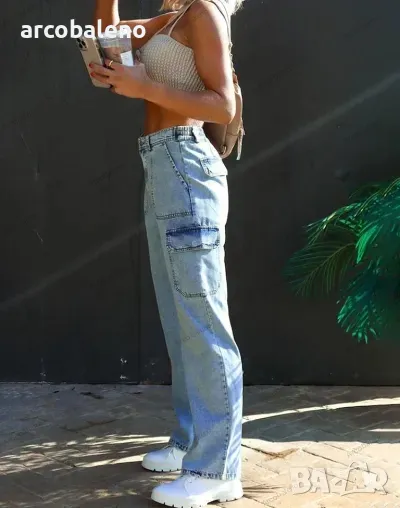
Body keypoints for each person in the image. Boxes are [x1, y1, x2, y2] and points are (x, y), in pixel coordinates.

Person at [92, 0, 245, 506]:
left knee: (203, 325)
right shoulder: (172, 15)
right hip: (162, 165)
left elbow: (222, 105)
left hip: (186, 165)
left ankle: (217, 468)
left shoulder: (204, 12)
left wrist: (143, 87)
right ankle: (189, 442)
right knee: (182, 324)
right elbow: (111, 35)